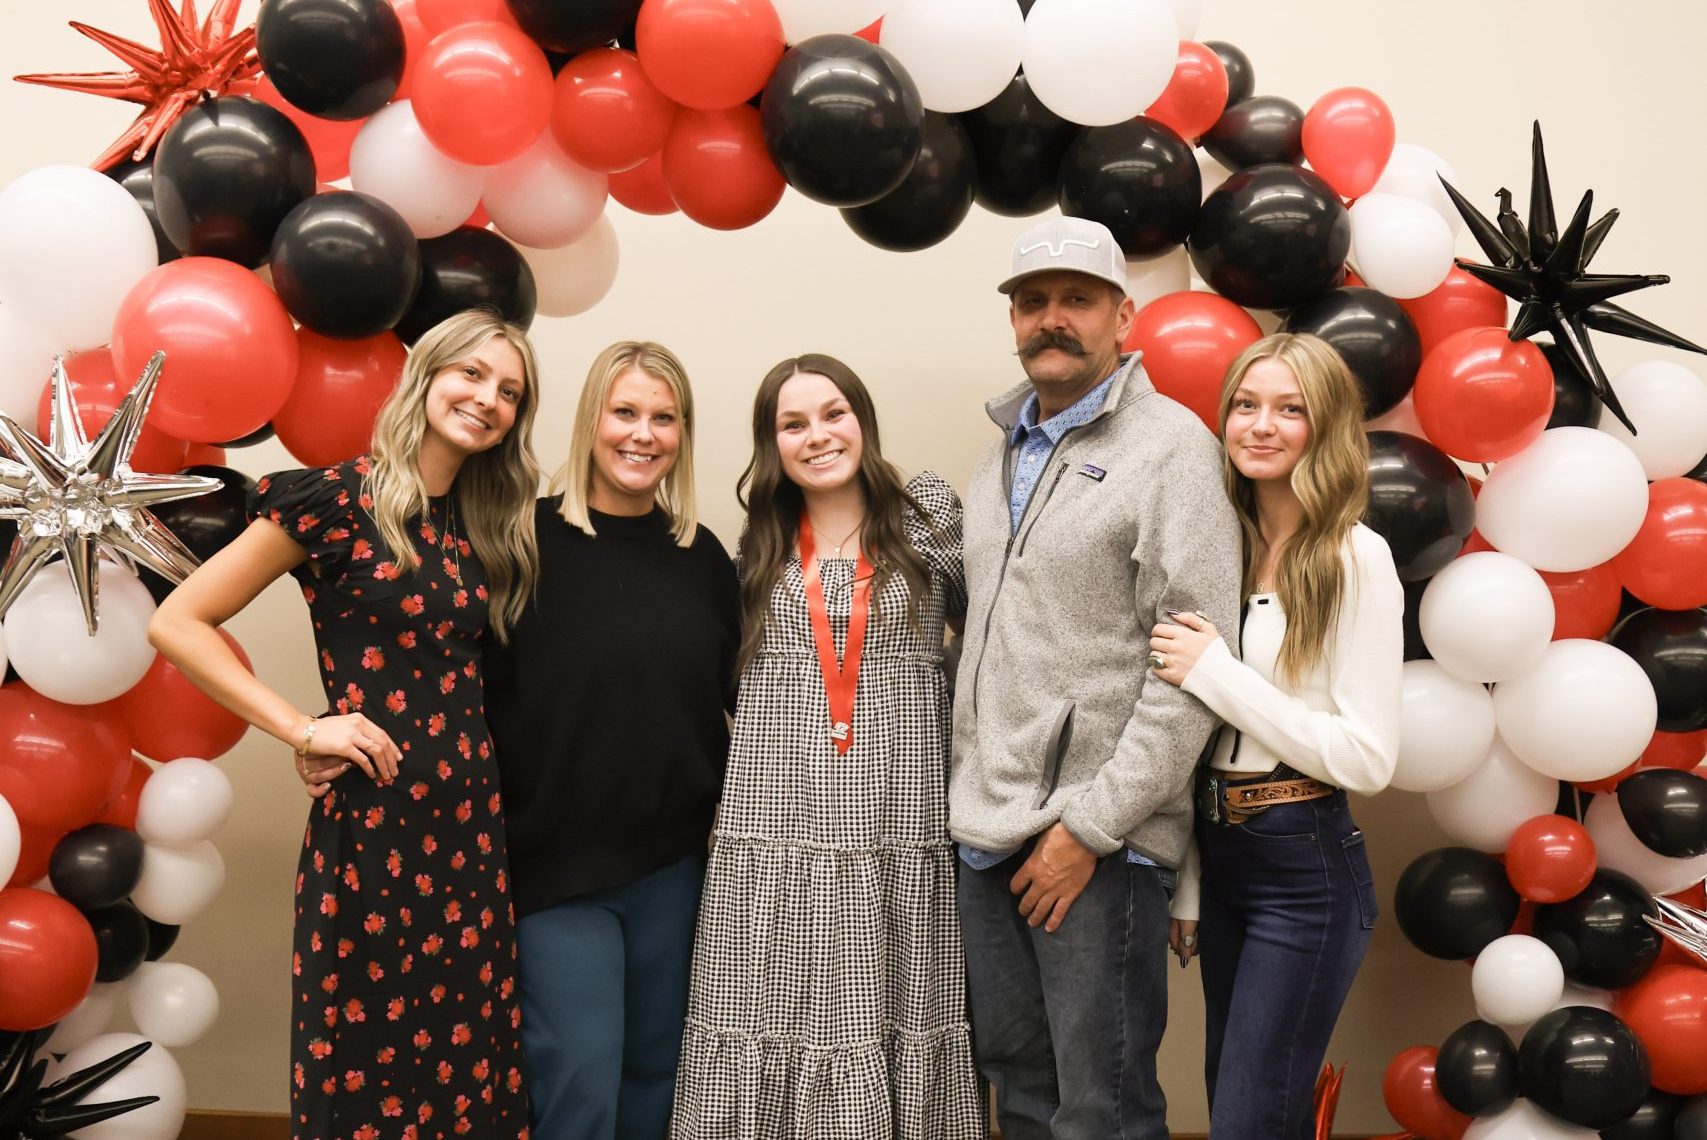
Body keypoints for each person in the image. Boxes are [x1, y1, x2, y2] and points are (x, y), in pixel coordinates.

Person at [147, 309, 541, 1140]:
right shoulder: (336, 499)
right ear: (427, 375)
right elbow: (178, 623)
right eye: (471, 374)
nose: (486, 399)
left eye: (509, 391)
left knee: (468, 1064)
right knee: (369, 1057)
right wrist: (302, 729)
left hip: (472, 835)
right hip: (379, 828)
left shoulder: (489, 522)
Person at [950, 215, 1242, 1140]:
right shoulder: (999, 454)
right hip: (984, 836)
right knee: (1021, 1093)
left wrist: (1092, 826)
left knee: (1101, 1109)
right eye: (1031, 302)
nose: (1050, 320)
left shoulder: (1171, 448)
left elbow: (1194, 663)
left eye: (1076, 300)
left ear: (1123, 318)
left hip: (1096, 848)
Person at [671, 354, 983, 1140]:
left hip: (894, 826)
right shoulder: (760, 543)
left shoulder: (928, 513)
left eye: (833, 413)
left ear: (863, 420)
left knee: (893, 1015)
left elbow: (992, 643)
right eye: (792, 423)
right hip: (777, 826)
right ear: (771, 445)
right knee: (764, 1012)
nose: (817, 435)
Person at [1151, 332, 1403, 1139]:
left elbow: (1366, 756)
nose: (1259, 425)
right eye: (1245, 404)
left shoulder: (1355, 558)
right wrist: (1190, 883)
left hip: (1306, 870)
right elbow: (1195, 744)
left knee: (1250, 1119)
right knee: (1233, 1096)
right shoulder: (1219, 544)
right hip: (1223, 859)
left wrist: (1216, 671)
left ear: (1323, 427)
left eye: (1289, 409)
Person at [484, 342, 738, 1140]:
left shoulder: (702, 559)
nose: (643, 434)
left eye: (664, 418)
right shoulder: (518, 545)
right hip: (556, 868)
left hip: (674, 866)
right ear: (590, 419)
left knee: (657, 1079)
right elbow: (446, 685)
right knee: (580, 1084)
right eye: (624, 412)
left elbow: (745, 706)